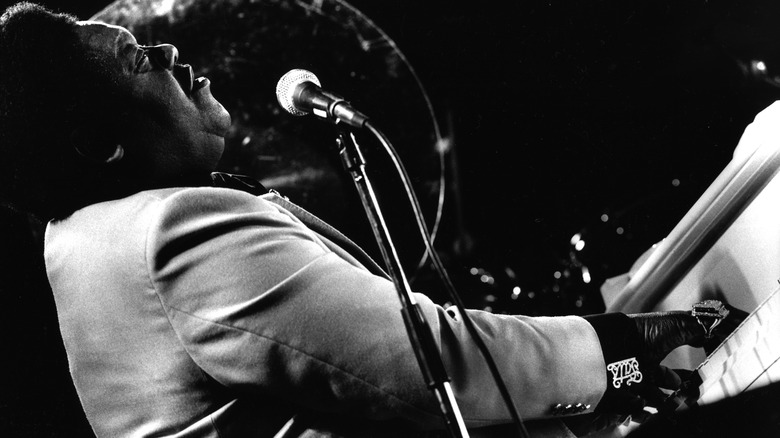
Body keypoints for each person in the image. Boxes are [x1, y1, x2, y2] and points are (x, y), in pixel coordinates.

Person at [0, 3, 739, 437]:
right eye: (141, 59)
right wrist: (624, 346)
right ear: (99, 146)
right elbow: (434, 367)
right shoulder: (164, 236)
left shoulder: (81, 245)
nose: (176, 56)